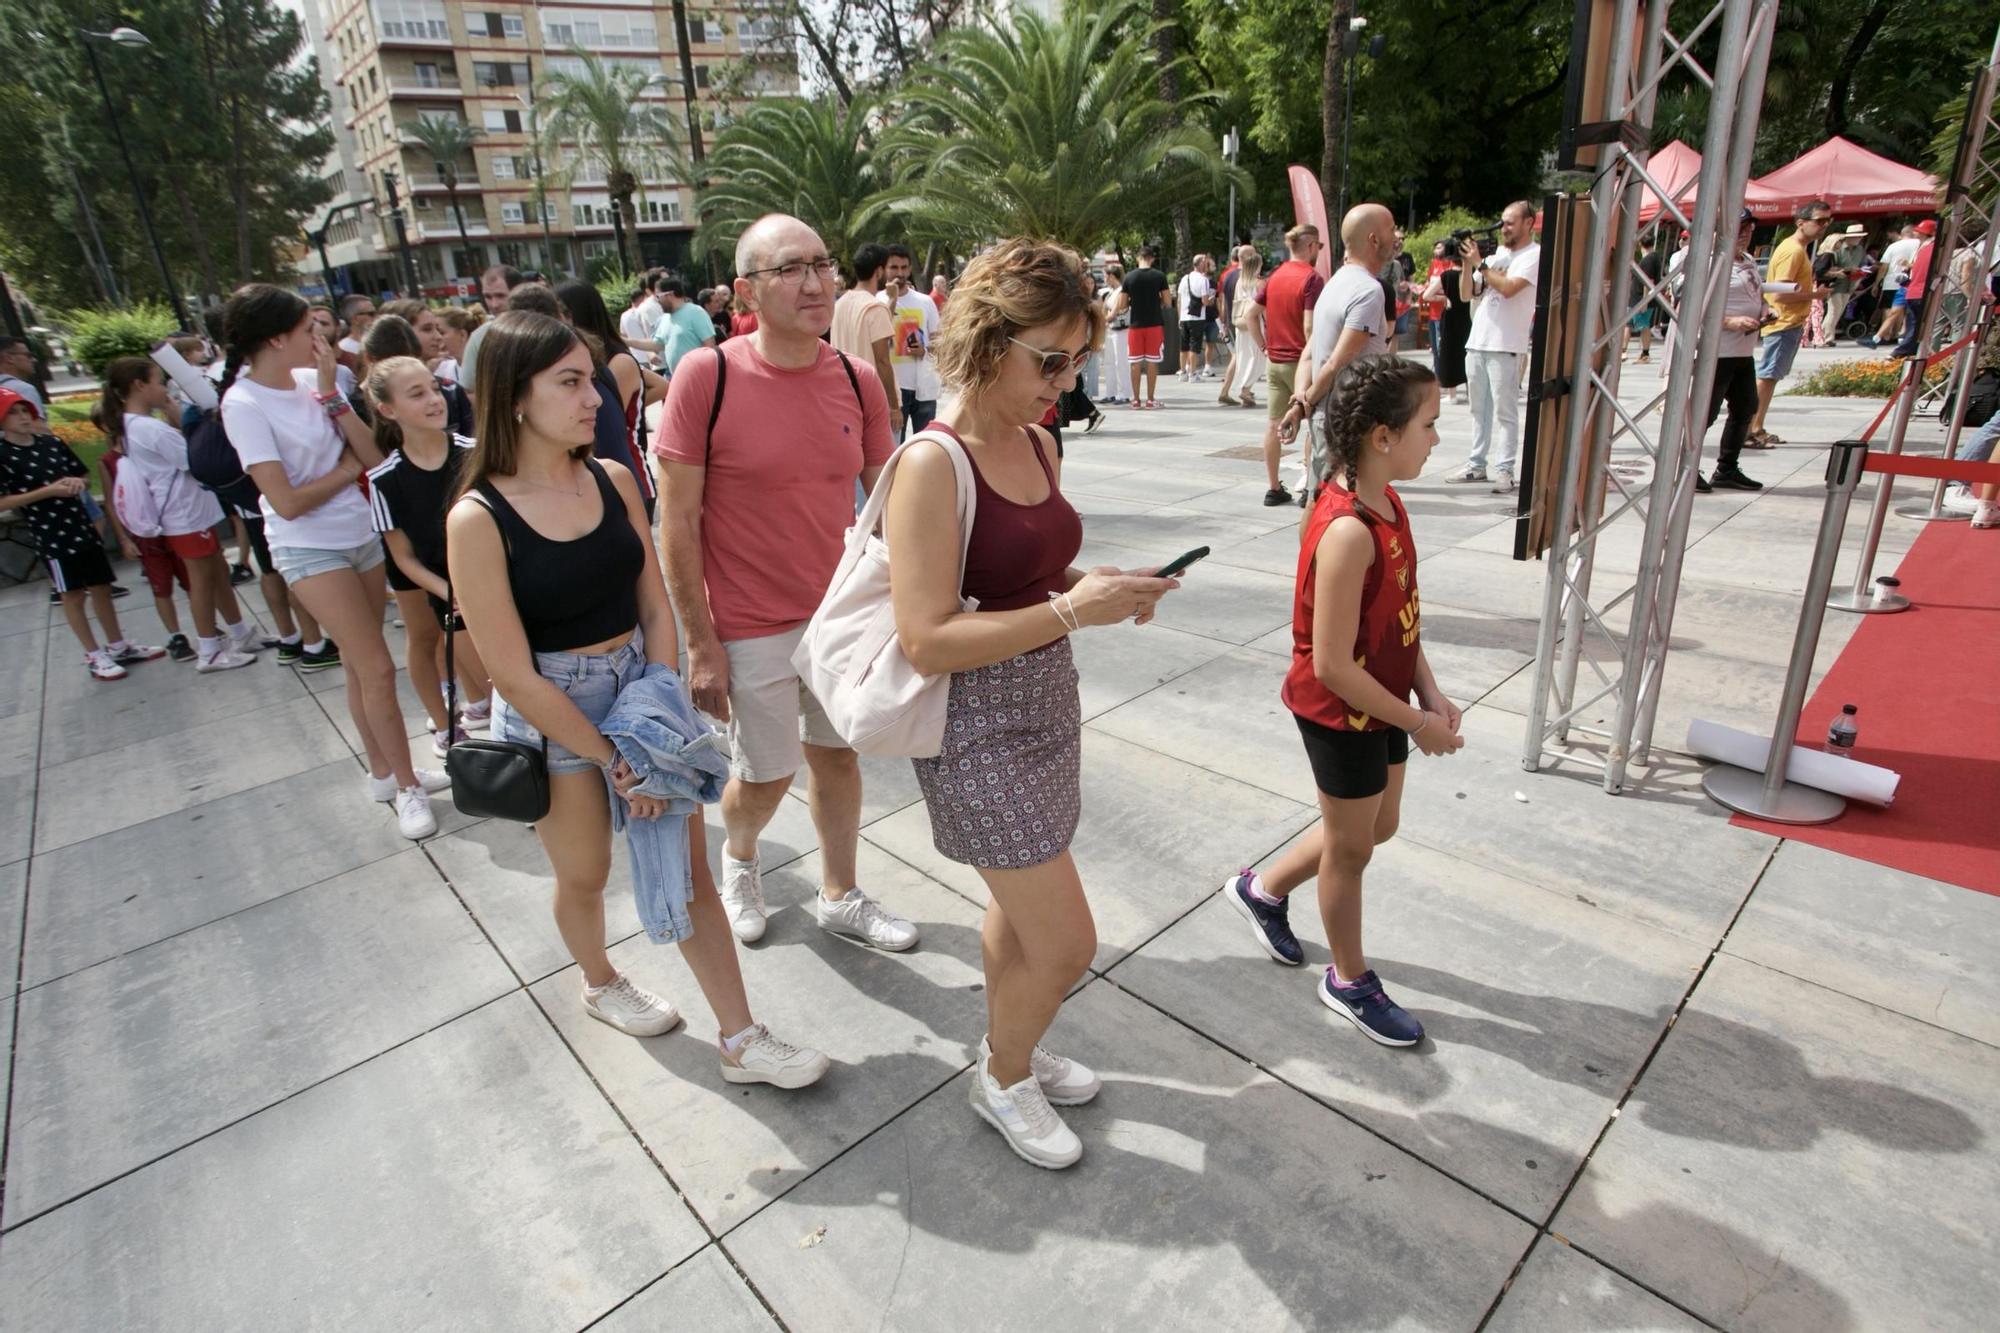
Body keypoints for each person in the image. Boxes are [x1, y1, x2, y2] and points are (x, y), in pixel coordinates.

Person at [447, 312, 828, 1086]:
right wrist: (614, 756)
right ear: (513, 397)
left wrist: (652, 720)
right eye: (571, 382)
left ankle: (741, 1038)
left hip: (639, 692)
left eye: (591, 378)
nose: (596, 396)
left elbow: (655, 606)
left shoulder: (611, 477)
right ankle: (599, 980)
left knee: (687, 876)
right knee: (584, 874)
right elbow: (511, 675)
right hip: (556, 716)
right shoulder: (476, 517)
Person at [883, 238, 1179, 1167]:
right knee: (1068, 939)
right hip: (973, 726)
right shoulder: (933, 464)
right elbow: (925, 634)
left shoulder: (1041, 439)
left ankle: (1011, 1042)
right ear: (984, 339)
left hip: (1048, 702)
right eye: (1048, 359)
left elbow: (1037, 570)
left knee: (1020, 912)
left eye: (1078, 357)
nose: (1066, 377)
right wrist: (1068, 609)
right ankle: (1001, 1076)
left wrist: (1104, 585)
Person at [655, 212, 919, 951]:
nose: (813, 282)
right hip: (748, 624)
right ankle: (739, 857)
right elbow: (675, 521)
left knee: (839, 757)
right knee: (765, 777)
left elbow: (892, 497)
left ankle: (840, 892)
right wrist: (701, 644)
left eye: (821, 265)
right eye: (790, 269)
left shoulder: (855, 376)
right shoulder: (707, 375)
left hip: (838, 619)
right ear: (747, 289)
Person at [1222, 356, 1461, 1048]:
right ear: (1382, 436)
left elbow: (1398, 619)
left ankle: (1262, 889)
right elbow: (1330, 663)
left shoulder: (1388, 502)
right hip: (1340, 709)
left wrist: (1429, 691)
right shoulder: (1349, 527)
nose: (1436, 440)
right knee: (1352, 850)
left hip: (1382, 699)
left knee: (1374, 827)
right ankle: (1348, 979)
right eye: (1428, 426)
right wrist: (1417, 721)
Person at [218, 283, 444, 838]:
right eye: (307, 329)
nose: (320, 337)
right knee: (375, 667)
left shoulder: (317, 381)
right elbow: (287, 501)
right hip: (307, 546)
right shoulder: (242, 403)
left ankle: (385, 772)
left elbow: (374, 456)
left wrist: (329, 396)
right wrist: (345, 474)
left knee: (357, 664)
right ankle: (408, 789)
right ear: (276, 338)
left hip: (360, 533)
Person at [95, 357, 260, 671]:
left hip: (188, 513)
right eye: (158, 382)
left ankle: (240, 632)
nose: (164, 389)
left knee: (217, 573)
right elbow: (194, 461)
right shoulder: (149, 427)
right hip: (184, 515)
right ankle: (209, 649)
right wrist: (183, 421)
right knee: (201, 581)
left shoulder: (132, 426)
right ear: (138, 386)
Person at [363, 355, 492, 754]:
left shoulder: (478, 452)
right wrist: (450, 593)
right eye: (417, 394)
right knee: (501, 688)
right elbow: (403, 559)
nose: (434, 400)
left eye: (435, 388)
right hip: (454, 602)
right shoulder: (383, 480)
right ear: (387, 410)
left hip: (504, 585)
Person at [0, 387, 159, 679]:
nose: (22, 417)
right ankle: (93, 653)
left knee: (101, 586)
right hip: (51, 534)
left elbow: (82, 475)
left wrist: (76, 483)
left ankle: (118, 645)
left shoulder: (51, 443)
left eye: (25, 410)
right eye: (13, 412)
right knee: (72, 594)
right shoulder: (3, 455)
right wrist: (47, 491)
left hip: (80, 525)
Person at [1280, 204, 1396, 505]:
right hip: (1349, 421)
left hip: (1327, 417)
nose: (1396, 236)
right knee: (1337, 508)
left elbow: (1309, 355)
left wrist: (1300, 402)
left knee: (1318, 504)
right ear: (1373, 240)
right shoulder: (1369, 291)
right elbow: (1336, 361)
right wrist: (1303, 405)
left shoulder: (1334, 284)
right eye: (1391, 229)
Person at [1446, 200, 1541, 493]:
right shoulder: (1497, 255)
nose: (1504, 228)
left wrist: (1480, 264)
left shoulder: (1534, 255)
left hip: (1506, 344)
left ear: (1529, 223)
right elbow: (1466, 294)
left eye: (1510, 223)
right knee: (1479, 410)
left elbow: (1510, 289)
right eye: (1502, 222)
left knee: (1505, 412)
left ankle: (1505, 469)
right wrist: (1465, 262)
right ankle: (1477, 464)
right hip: (1478, 341)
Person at [556, 278, 665, 515]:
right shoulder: (592, 358)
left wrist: (630, 413)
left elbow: (660, 386)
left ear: (579, 312)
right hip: (599, 476)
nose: (558, 320)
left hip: (629, 478)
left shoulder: (618, 361)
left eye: (563, 312)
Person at [1747, 199, 1833, 446]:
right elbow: (1780, 292)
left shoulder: (1795, 248)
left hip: (1788, 321)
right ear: (1801, 222)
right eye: (1819, 221)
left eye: (1827, 221)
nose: (1823, 226)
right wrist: (1815, 296)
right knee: (1767, 376)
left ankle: (1756, 426)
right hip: (1783, 321)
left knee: (1770, 376)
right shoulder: (1793, 250)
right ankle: (1751, 428)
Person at [1693, 210, 1767, 494]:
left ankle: (1727, 469)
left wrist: (1764, 309)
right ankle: (1683, 467)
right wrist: (1729, 321)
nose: (1746, 234)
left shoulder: (1746, 261)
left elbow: (1755, 295)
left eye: (1749, 228)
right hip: (1716, 350)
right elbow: (1691, 306)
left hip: (1742, 350)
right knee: (1703, 414)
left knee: (1746, 406)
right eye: (1740, 228)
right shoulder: (1710, 262)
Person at [1256, 225, 1326, 504]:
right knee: (1310, 422)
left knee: (1273, 424)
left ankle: (1274, 488)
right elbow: (1309, 325)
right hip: (1300, 362)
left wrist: (1264, 346)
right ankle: (1308, 489)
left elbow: (1252, 314)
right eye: (1318, 247)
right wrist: (1315, 357)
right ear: (1310, 246)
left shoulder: (1275, 276)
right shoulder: (1312, 278)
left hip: (1274, 362)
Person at [832, 242, 904, 438]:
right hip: (875, 403)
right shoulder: (874, 308)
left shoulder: (840, 305)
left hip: (847, 399)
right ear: (879, 271)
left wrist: (892, 301)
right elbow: (882, 361)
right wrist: (894, 407)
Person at [884, 244, 944, 439]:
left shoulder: (925, 302)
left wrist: (924, 350)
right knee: (893, 451)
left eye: (903, 268)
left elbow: (939, 342)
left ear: (909, 269)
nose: (899, 273)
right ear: (884, 269)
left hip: (923, 388)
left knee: (925, 444)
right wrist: (891, 300)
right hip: (893, 392)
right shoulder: (877, 302)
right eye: (894, 267)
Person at [1112, 245, 1171, 409]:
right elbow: (1167, 302)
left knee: (1135, 362)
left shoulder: (1129, 277)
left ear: (1138, 258)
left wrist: (1133, 301)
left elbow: (1122, 305)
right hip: (1154, 324)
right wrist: (1155, 300)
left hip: (1135, 325)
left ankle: (1136, 400)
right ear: (1152, 258)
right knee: (1152, 362)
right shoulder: (1159, 276)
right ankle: (1150, 399)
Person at [459, 265, 528, 391]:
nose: (494, 304)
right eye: (488, 297)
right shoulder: (479, 337)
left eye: (500, 296)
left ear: (520, 292)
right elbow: (470, 390)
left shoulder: (543, 329)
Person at [1420, 242, 1471, 405]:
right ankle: (1471, 391)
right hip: (1468, 317)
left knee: (1449, 352)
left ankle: (1452, 393)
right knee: (1468, 353)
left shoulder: (1446, 276)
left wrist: (1444, 298)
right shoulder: (1471, 274)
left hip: (1450, 316)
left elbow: (1427, 295)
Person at [1862, 223, 1922, 348]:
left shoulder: (1893, 246)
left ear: (1903, 234)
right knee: (1905, 311)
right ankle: (1898, 334)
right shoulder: (1920, 244)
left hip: (1891, 281)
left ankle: (1886, 335)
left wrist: (1876, 283)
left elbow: (1884, 266)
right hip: (1911, 281)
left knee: (1889, 309)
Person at [1225, 247, 1266, 409]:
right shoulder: (1259, 283)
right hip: (1255, 322)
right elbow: (1265, 306)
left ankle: (1245, 387)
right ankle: (1246, 388)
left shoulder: (1240, 282)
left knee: (1244, 356)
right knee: (1258, 357)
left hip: (1240, 324)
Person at [652, 279, 719, 375]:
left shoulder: (696, 312)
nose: (657, 301)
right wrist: (628, 341)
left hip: (698, 377)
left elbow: (710, 347)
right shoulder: (665, 318)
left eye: (658, 296)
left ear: (669, 295)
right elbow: (655, 344)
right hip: (675, 378)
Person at [1176, 253, 1214, 382]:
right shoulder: (1203, 280)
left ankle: (1182, 373)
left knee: (1183, 346)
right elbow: (1204, 301)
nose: (1207, 265)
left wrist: (1179, 317)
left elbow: (1179, 300)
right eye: (1206, 263)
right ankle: (1192, 374)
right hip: (1197, 317)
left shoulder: (1184, 278)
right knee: (1194, 346)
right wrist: (1211, 300)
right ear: (1201, 264)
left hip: (1184, 317)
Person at [1623, 235, 1660, 364]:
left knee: (1639, 325)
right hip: (1639, 298)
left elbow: (1647, 281)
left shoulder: (1649, 259)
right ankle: (1628, 351)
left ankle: (1642, 353)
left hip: (1640, 298)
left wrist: (1645, 300)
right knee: (1632, 324)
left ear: (1640, 244)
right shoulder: (1654, 258)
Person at [1098, 262, 1130, 403]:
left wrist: (1104, 320)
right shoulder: (1110, 292)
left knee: (1120, 361)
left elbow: (1114, 312)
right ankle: (1111, 392)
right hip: (1110, 329)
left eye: (1105, 276)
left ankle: (1124, 393)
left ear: (1111, 276)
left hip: (1120, 330)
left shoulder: (1122, 291)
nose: (1104, 278)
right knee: (1109, 362)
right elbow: (1105, 310)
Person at [0, 336, 44, 409]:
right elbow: (35, 420)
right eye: (28, 355)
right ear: (9, 358)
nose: (34, 360)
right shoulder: (23, 389)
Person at [436, 308, 477, 384]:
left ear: (462, 335)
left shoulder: (487, 368)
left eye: (441, 333)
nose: (437, 337)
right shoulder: (441, 370)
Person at [336, 294, 377, 361]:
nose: (376, 317)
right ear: (355, 319)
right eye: (371, 314)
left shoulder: (379, 342)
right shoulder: (344, 349)